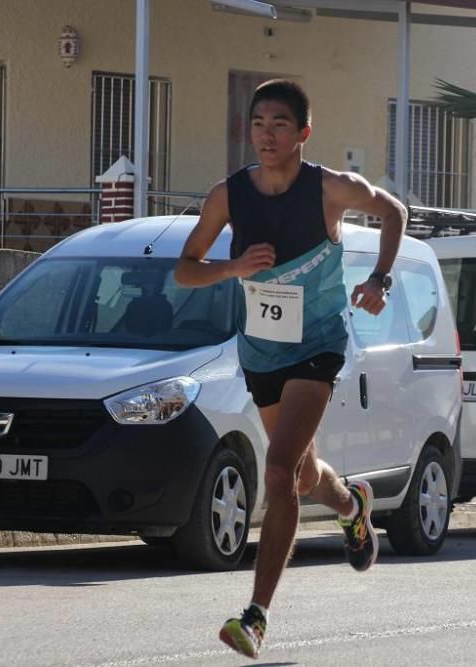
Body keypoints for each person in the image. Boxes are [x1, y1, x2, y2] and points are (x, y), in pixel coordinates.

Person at [174, 79, 407, 660]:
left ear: (304, 132)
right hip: (261, 352)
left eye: (279, 124)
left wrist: (380, 278)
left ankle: (255, 617)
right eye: (257, 123)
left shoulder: (330, 189)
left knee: (277, 469)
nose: (266, 134)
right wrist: (233, 267)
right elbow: (185, 269)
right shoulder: (228, 196)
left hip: (319, 347)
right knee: (300, 476)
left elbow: (395, 211)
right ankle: (352, 504)